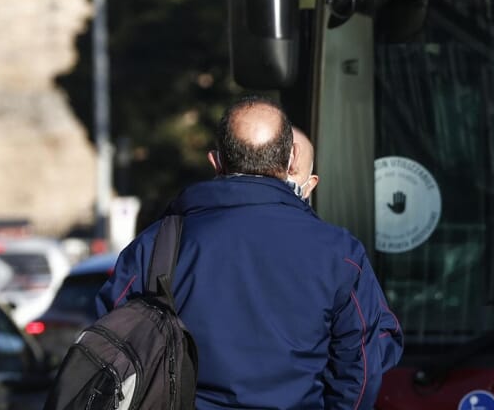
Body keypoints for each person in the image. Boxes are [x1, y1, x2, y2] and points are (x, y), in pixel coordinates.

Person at [97, 95, 403, 409]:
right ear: (290, 160)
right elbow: (361, 366)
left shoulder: (157, 244)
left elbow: (111, 342)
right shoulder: (339, 251)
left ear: (216, 162)